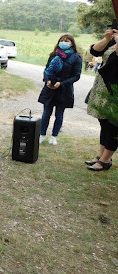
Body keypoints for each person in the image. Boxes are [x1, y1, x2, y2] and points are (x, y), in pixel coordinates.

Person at [37, 34, 81, 145]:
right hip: (50, 88)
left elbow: (76, 76)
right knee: (46, 113)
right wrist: (47, 80)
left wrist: (61, 83)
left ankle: (54, 136)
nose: (64, 42)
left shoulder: (75, 57)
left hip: (64, 90)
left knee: (59, 114)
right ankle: (42, 135)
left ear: (72, 43)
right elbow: (47, 69)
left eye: (67, 41)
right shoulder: (54, 55)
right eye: (62, 40)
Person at [85, 28, 118, 171]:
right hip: (103, 86)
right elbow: (95, 51)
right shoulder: (112, 41)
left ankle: (106, 160)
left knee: (113, 125)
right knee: (104, 123)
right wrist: (107, 38)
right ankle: (101, 155)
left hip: (115, 89)